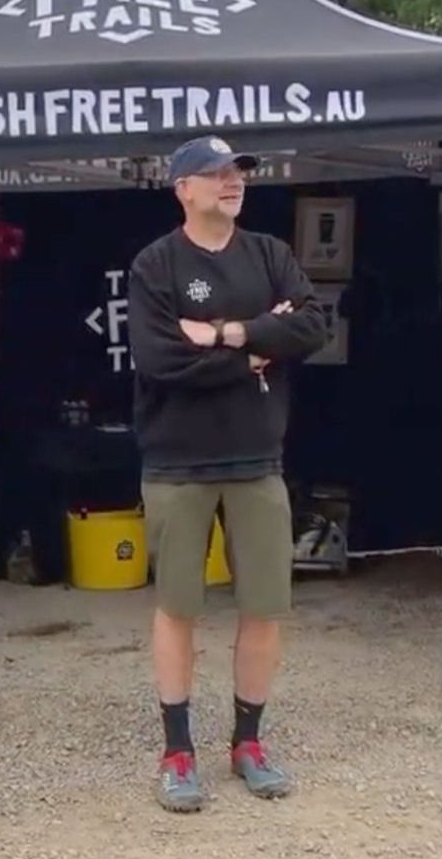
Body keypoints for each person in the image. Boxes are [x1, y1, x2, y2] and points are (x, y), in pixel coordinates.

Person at [127, 135, 327, 812]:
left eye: (238, 171)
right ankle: (178, 751)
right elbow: (160, 361)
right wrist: (257, 350)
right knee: (179, 608)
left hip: (257, 460)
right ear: (182, 188)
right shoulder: (156, 265)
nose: (231, 181)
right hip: (178, 463)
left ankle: (248, 743)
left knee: (265, 606)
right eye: (213, 174)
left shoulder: (269, 254)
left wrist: (226, 334)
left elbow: (313, 327)